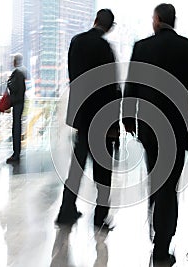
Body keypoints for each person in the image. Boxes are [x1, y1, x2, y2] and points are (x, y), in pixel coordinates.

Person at [123, 4, 188, 266]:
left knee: (155, 178)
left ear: (157, 20)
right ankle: (163, 242)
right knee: (168, 185)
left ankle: (155, 215)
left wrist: (128, 120)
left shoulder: (141, 47)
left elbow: (131, 86)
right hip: (175, 128)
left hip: (150, 128)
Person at [55, 9, 121, 230]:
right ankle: (100, 217)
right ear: (110, 27)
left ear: (94, 21)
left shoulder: (76, 42)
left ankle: (66, 210)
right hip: (101, 117)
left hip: (81, 115)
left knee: (77, 167)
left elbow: (74, 76)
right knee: (103, 171)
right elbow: (112, 87)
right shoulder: (105, 48)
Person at [6, 53, 28, 164]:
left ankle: (16, 154)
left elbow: (14, 88)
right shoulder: (22, 72)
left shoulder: (17, 73)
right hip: (19, 103)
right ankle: (16, 153)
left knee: (16, 128)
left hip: (17, 104)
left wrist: (8, 83)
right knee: (16, 127)